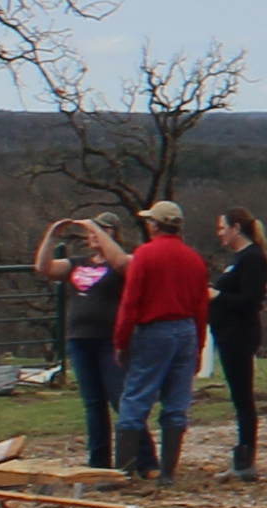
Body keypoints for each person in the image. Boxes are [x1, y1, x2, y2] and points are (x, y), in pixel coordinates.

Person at [112, 199, 215, 482]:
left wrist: (121, 340)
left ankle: (123, 472)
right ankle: (167, 473)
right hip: (186, 330)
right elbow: (201, 307)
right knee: (177, 402)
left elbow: (130, 301)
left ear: (155, 225)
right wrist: (199, 347)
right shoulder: (194, 259)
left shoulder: (145, 255)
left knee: (135, 398)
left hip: (153, 330)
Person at [38, 215, 129, 471]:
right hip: (80, 339)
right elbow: (44, 268)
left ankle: (139, 458)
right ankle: (99, 462)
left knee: (120, 399)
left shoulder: (120, 263)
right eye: (92, 232)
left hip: (109, 340)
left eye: (102, 230)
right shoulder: (77, 263)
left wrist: (96, 229)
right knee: (93, 404)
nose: (94, 235)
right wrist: (51, 236)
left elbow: (123, 264)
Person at [205, 206, 267, 482]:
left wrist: (216, 296)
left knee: (243, 397)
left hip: (239, 335)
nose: (219, 233)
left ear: (236, 228)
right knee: (239, 396)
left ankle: (245, 461)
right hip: (227, 334)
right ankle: (243, 458)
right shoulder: (240, 259)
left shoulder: (252, 258)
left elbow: (251, 301)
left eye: (222, 227)